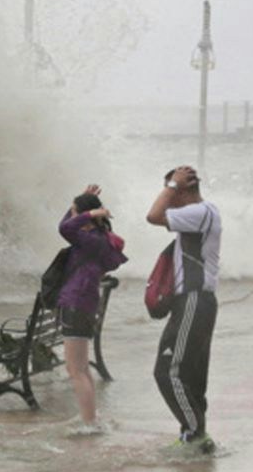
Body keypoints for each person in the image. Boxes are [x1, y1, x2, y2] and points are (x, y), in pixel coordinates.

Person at [144, 165, 222, 452]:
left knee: (169, 371)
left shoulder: (200, 212)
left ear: (185, 188)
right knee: (189, 373)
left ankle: (195, 435)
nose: (169, 198)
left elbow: (153, 216)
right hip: (194, 301)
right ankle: (194, 433)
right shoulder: (201, 216)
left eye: (173, 191)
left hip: (194, 299)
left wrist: (172, 185)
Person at [56, 185, 127, 428]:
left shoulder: (87, 241)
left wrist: (88, 213)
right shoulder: (101, 240)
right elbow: (69, 225)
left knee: (75, 370)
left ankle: (88, 423)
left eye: (76, 213)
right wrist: (86, 209)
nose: (73, 217)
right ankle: (90, 416)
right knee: (82, 368)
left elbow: (64, 228)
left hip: (75, 303)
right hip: (85, 303)